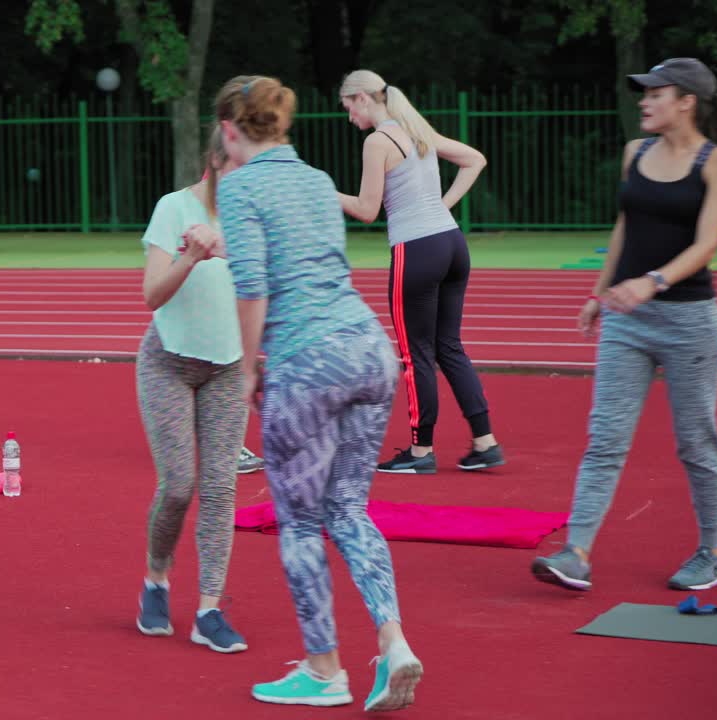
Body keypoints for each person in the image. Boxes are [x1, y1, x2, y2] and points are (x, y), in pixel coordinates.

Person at [214, 74, 422, 711]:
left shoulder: (240, 187)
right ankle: (393, 642)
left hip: (305, 361)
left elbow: (251, 286)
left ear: (228, 130)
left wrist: (248, 370)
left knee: (301, 522)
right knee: (350, 510)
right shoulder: (312, 179)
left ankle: (324, 669)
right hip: (368, 350)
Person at [532, 57, 717, 592]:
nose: (643, 101)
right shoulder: (633, 153)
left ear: (686, 101)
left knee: (696, 443)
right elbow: (626, 225)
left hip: (690, 322)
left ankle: (711, 550)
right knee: (606, 439)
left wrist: (652, 281)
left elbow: (708, 244)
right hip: (628, 321)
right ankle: (577, 552)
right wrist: (603, 291)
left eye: (654, 93)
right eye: (642, 93)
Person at [336, 70, 503, 475]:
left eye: (347, 108)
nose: (348, 117)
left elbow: (366, 209)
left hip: (417, 249)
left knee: (415, 355)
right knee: (449, 346)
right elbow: (474, 159)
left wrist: (318, 188)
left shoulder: (378, 141)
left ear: (361, 98)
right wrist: (443, 205)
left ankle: (420, 451)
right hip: (451, 244)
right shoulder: (416, 129)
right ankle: (485, 441)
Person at [135, 126, 250, 653]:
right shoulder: (174, 208)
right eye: (239, 164)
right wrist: (192, 256)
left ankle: (208, 609)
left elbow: (260, 297)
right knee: (180, 485)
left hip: (227, 368)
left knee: (222, 488)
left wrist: (255, 362)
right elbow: (152, 295)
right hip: (169, 363)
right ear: (215, 160)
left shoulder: (252, 219)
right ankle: (156, 580)